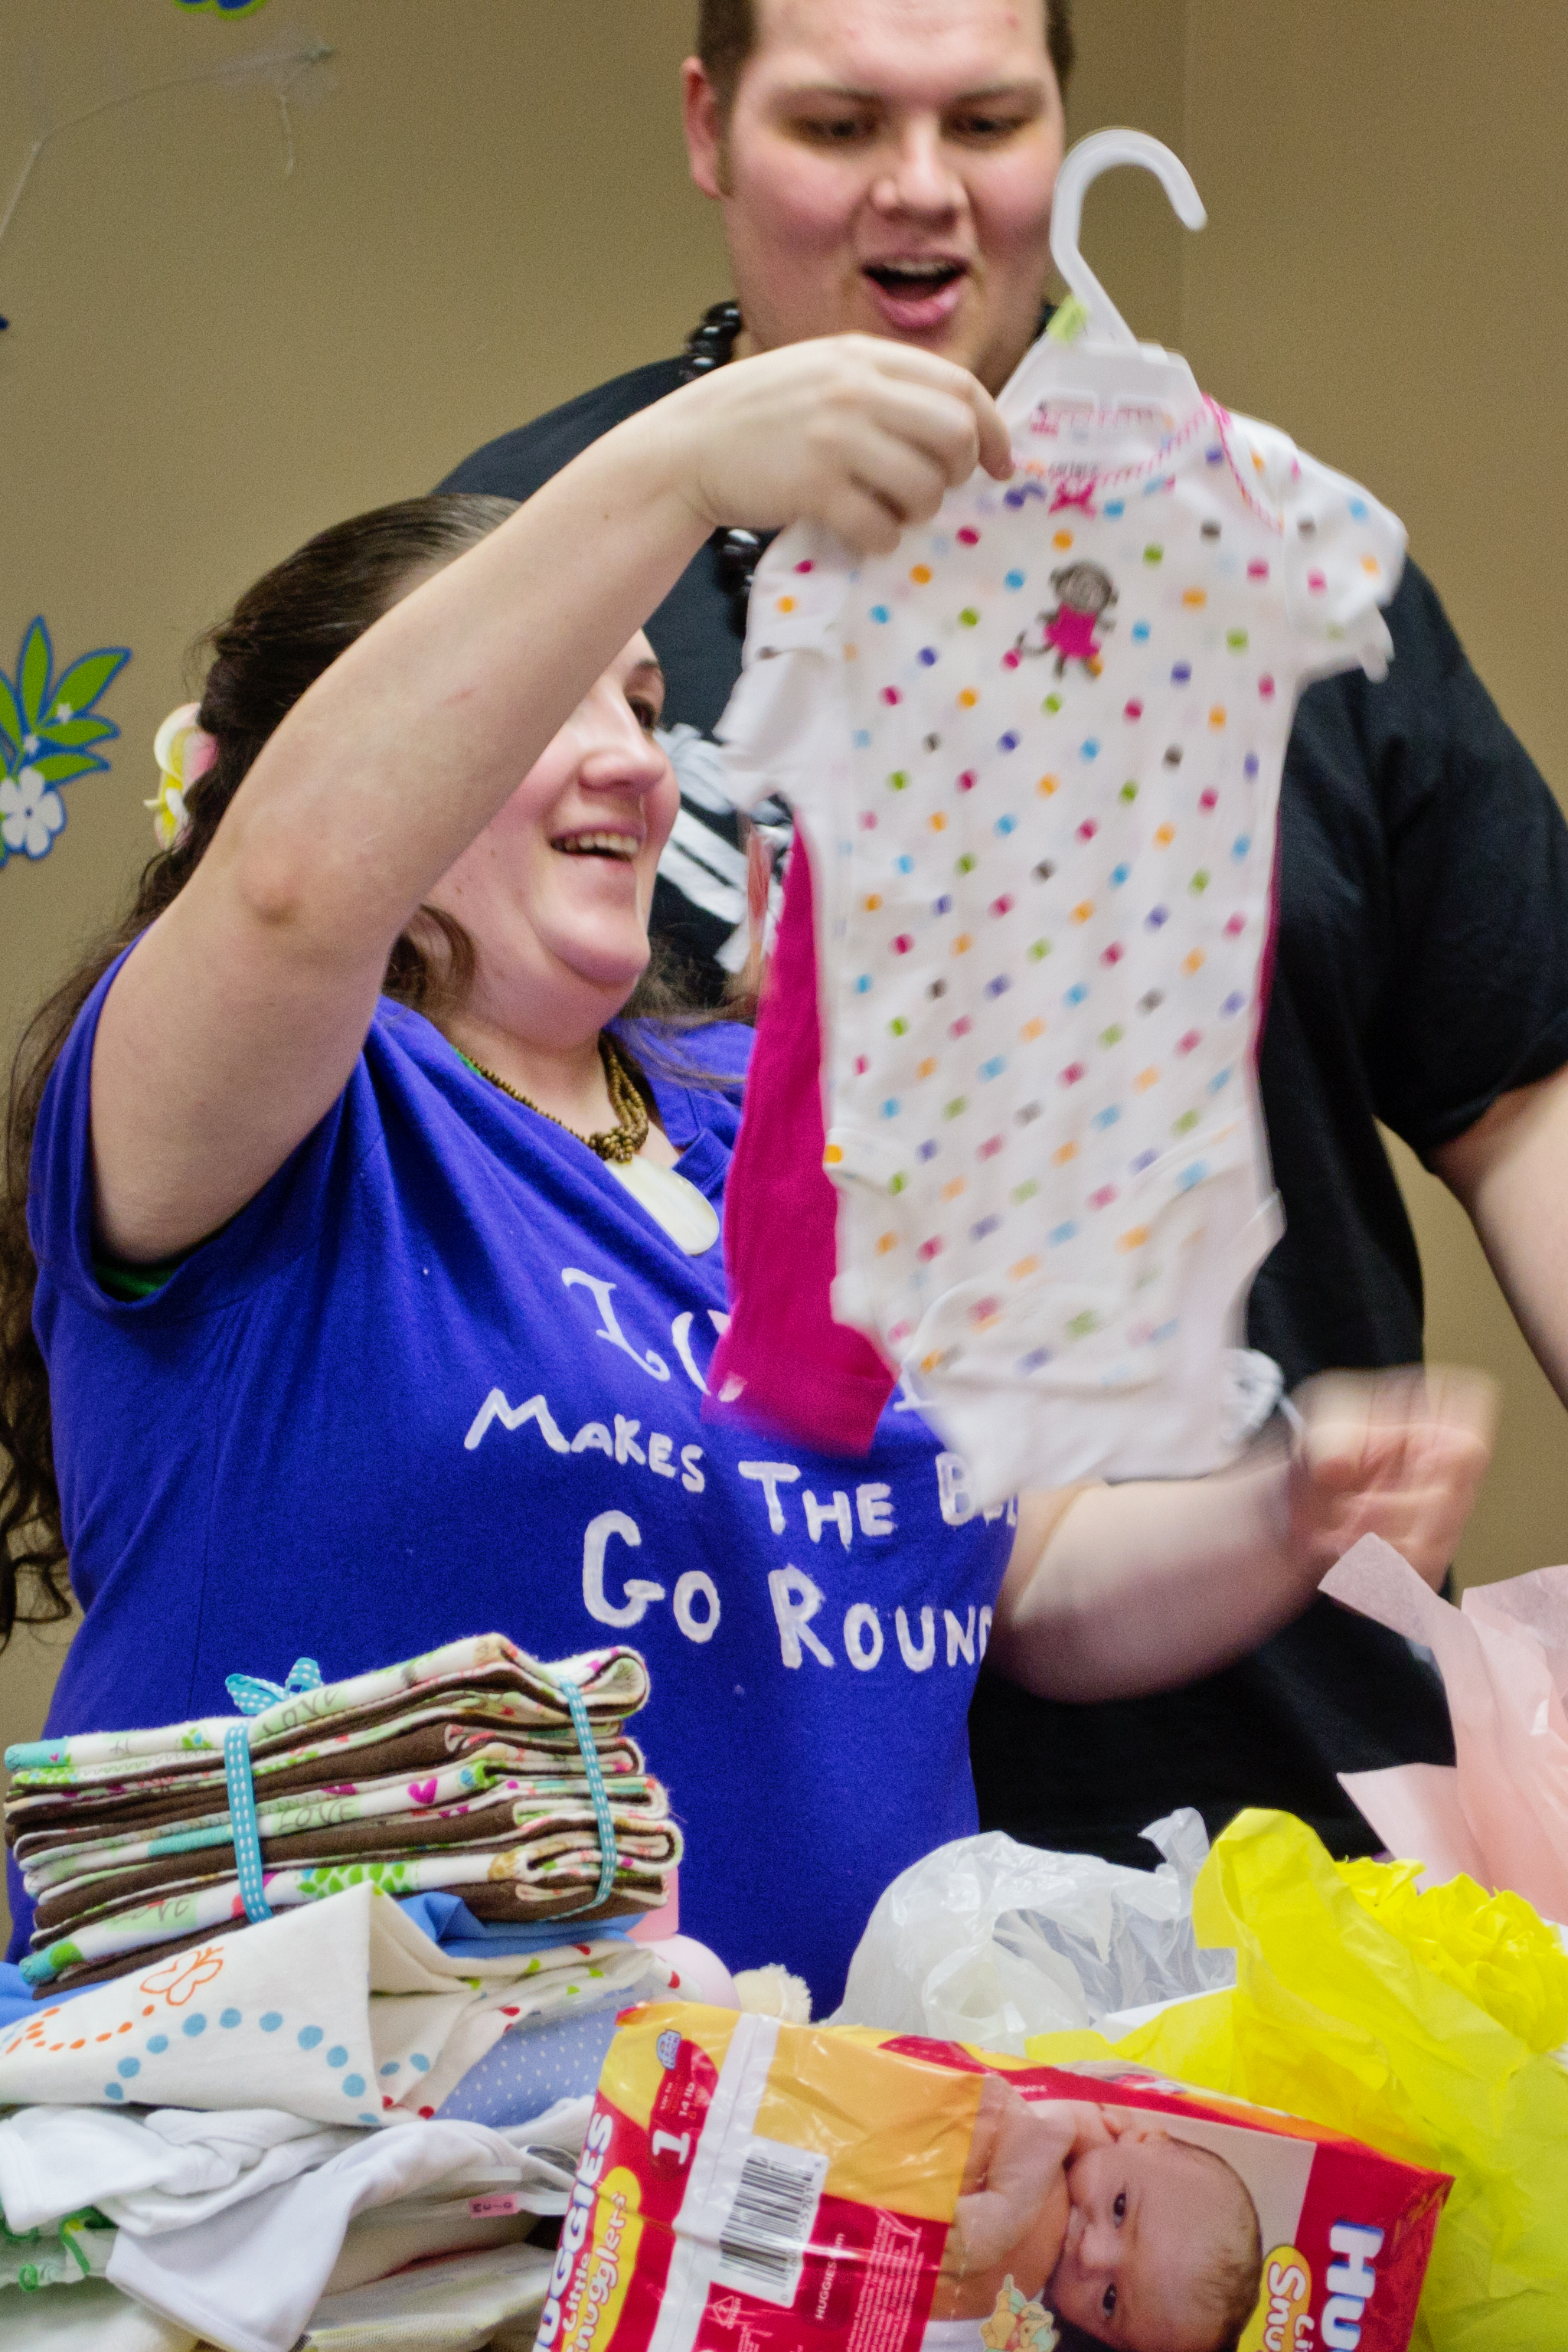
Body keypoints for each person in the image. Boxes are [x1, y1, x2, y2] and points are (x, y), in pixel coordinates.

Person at [0, 340, 1491, 2013]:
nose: (638, 764)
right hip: (325, 2148)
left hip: (794, 2142)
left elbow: (1009, 1573)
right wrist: (683, 462)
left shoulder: (764, 1120)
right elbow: (288, 889)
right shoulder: (269, 1112)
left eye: (645, 707)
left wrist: (1279, 1512)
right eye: (544, 704)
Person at [439, 0, 1568, 1869]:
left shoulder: (1248, 545)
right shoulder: (543, 557)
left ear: (1063, 127)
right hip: (743, 1806)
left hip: (1299, 1777)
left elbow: (1521, 1089)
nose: (921, 190)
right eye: (839, 124)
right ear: (710, 124)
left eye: (983, 120)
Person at [936, 2077, 1259, 2352]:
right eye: (1120, 2209)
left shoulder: (1037, 2326)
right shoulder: (1084, 2127)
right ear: (1140, 2138)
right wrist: (1007, 2210)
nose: (1091, 2254)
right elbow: (1039, 2116)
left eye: (1110, 2300)